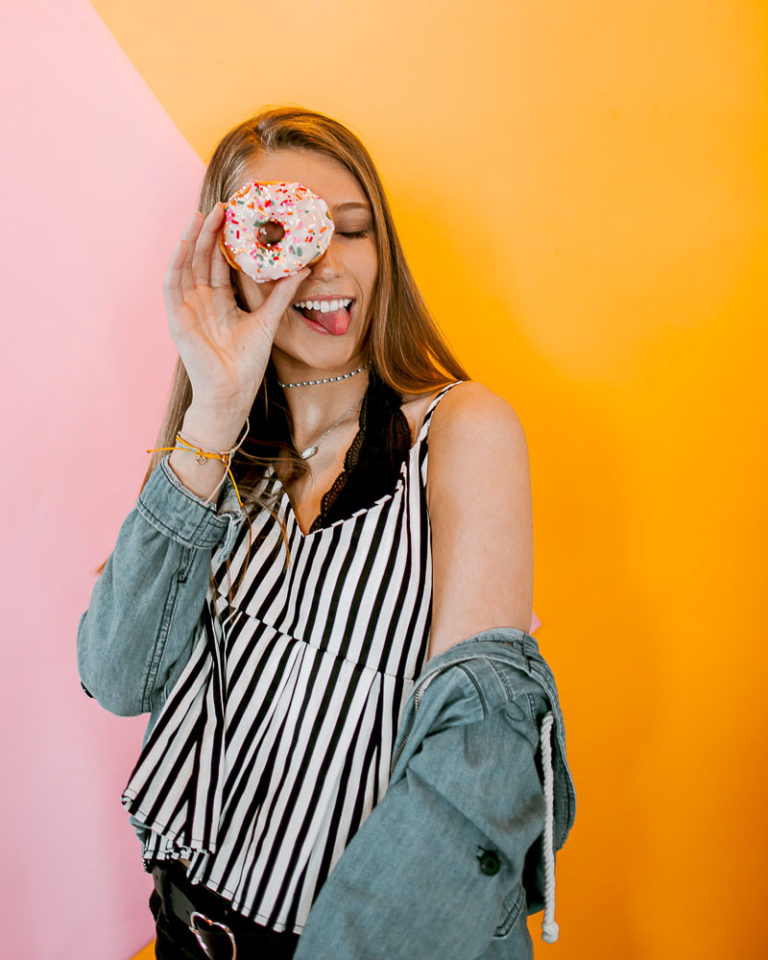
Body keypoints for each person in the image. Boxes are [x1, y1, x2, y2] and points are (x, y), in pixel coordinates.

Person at [77, 106, 575, 960]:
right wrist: (216, 409)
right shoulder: (215, 458)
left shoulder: (461, 433)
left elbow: (477, 749)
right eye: (283, 234)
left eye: (353, 230)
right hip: (184, 927)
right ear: (228, 258)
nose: (326, 265)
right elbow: (119, 677)